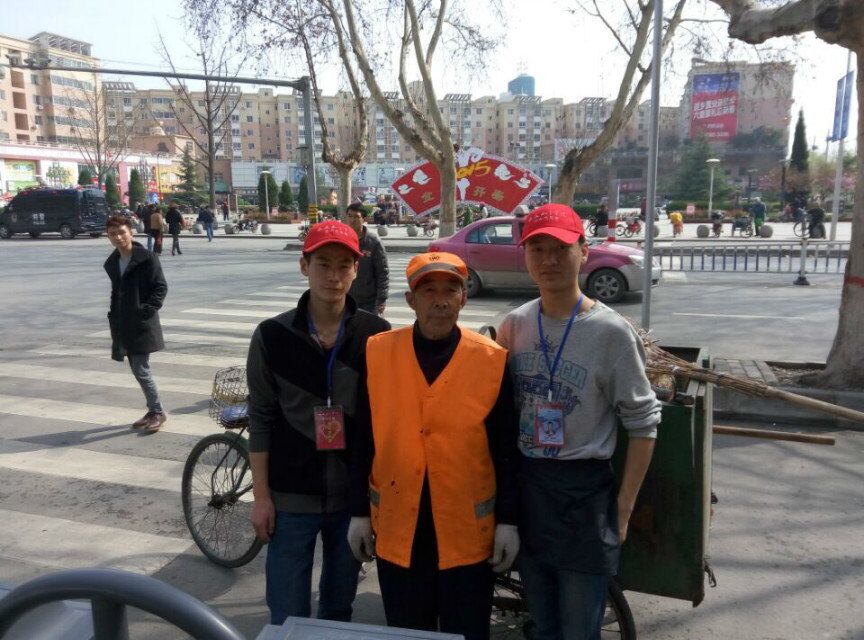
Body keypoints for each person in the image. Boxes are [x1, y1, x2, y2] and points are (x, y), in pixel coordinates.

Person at [496, 204, 660, 640]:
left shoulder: (611, 333)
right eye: (537, 249)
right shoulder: (515, 326)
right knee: (544, 622)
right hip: (530, 488)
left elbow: (644, 424)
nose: (548, 260)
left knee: (578, 628)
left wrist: (623, 510)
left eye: (561, 249)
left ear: (584, 251)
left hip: (584, 496)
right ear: (525, 255)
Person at [348, 252, 521, 640]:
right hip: (399, 529)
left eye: (450, 291)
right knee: (409, 632)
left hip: (467, 534)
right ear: (411, 300)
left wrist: (508, 521)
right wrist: (358, 512)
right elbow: (364, 439)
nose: (440, 301)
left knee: (467, 632)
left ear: (464, 298)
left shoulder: (490, 360)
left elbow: (505, 451)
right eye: (428, 291)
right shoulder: (378, 352)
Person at [247, 220, 390, 626]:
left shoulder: (376, 335)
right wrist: (261, 498)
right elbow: (261, 420)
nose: (333, 275)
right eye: (323, 264)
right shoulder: (271, 335)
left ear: (357, 270)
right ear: (303, 266)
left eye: (344, 265)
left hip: (351, 498)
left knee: (338, 609)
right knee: (286, 612)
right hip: (290, 498)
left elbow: (386, 420)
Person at [103, 214, 168, 433]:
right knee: (137, 369)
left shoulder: (147, 258)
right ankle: (152, 410)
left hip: (141, 323)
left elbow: (160, 287)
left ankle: (157, 412)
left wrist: (146, 311)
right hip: (123, 323)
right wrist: (113, 315)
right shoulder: (112, 262)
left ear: (131, 232)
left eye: (122, 232)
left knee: (140, 368)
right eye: (113, 234)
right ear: (108, 237)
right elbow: (116, 292)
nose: (118, 237)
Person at [345, 202, 389, 315]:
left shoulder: (373, 242)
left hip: (369, 301)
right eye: (349, 216)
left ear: (364, 219)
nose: (352, 220)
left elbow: (382, 271)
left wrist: (381, 299)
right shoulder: (343, 241)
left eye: (356, 217)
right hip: (346, 299)